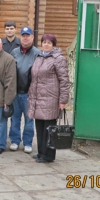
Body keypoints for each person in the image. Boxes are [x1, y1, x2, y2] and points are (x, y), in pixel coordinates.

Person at [28, 33, 70, 163]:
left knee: (49, 129)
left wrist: (63, 100)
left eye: (49, 43)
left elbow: (64, 80)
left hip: (51, 99)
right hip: (37, 98)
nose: (46, 45)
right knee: (40, 128)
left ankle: (49, 155)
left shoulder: (58, 59)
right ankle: (41, 152)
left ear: (53, 45)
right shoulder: (39, 57)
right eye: (44, 42)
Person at [9, 26, 40, 154]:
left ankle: (28, 142)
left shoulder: (37, 53)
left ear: (32, 37)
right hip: (15, 93)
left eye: (28, 35)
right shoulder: (14, 52)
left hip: (29, 94)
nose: (25, 38)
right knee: (14, 119)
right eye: (23, 35)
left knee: (29, 120)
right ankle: (15, 141)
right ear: (20, 37)